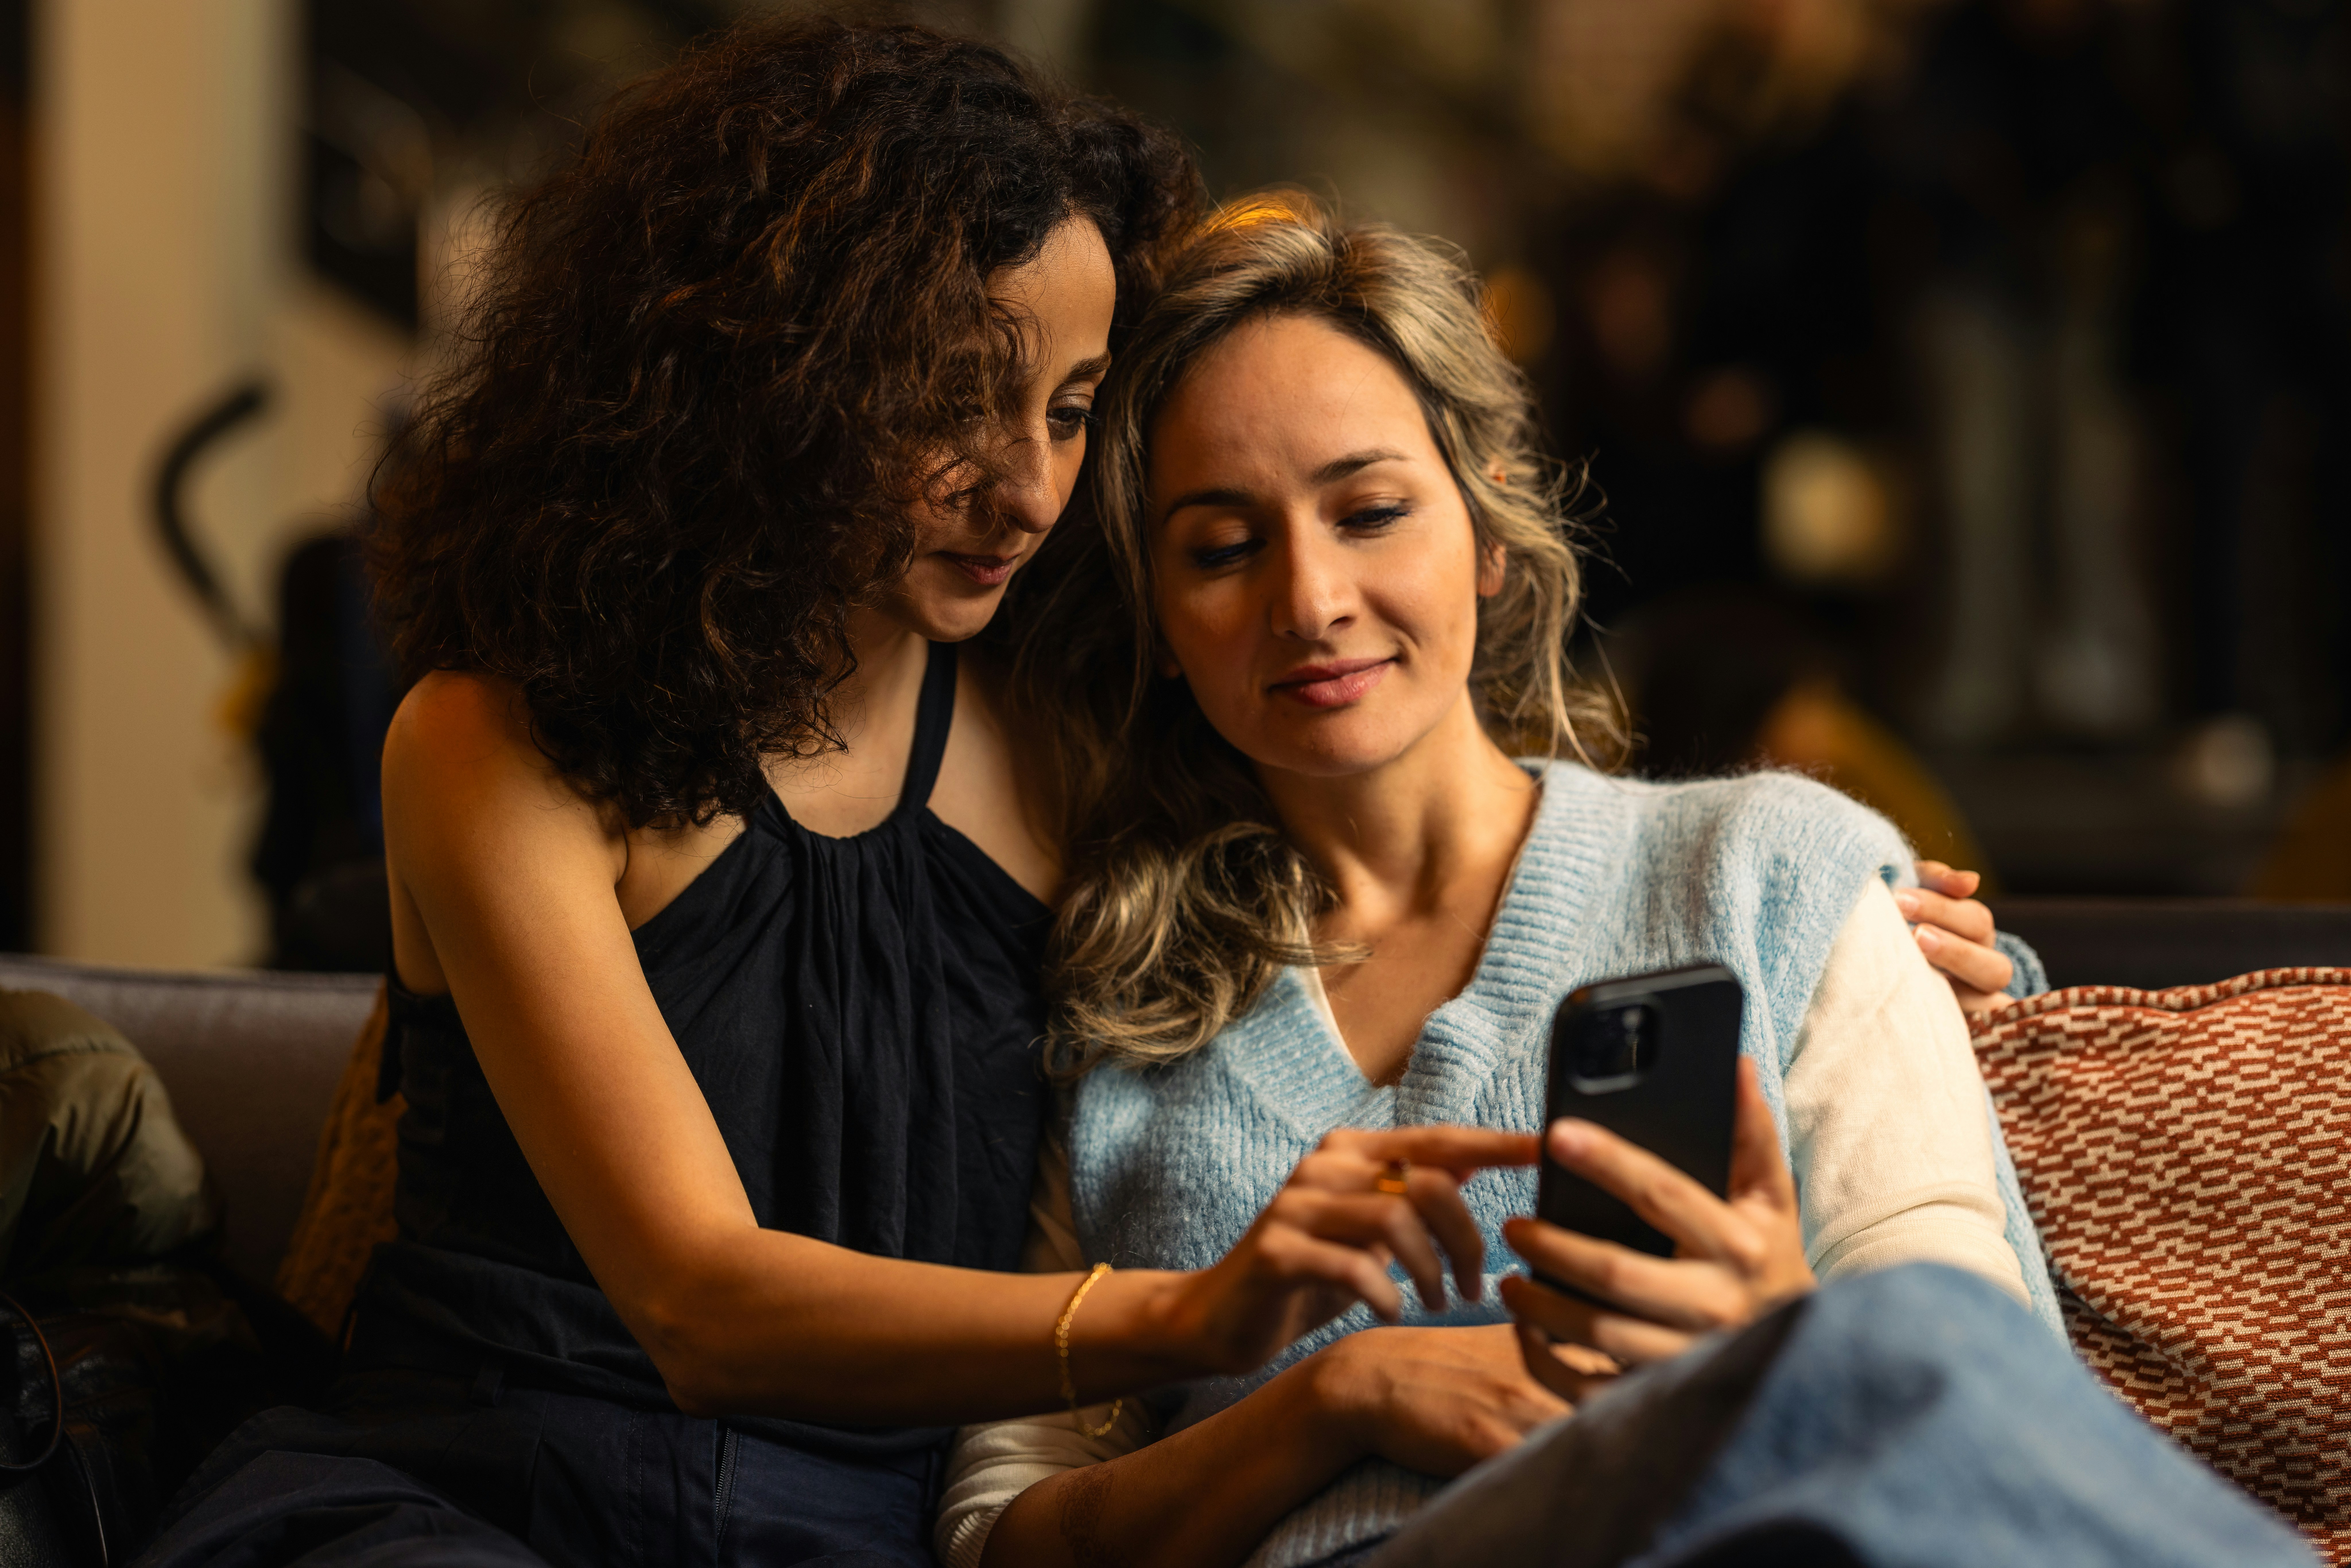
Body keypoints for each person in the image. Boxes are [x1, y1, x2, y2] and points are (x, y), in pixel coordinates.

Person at [136, 25, 2031, 1568]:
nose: (1027, 488)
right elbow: (701, 1304)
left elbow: (1419, 787)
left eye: (1066, 409)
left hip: (853, 1529)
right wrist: (1206, 1324)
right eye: (955, 396)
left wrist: (1849, 925)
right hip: (491, 1489)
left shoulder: (1054, 732)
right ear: (768, 379)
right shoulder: (494, 739)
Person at [931, 197, 2272, 1568]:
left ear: (1487, 529)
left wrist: (1771, 1334)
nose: (1310, 600)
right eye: (1222, 549)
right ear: (1157, 617)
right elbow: (1001, 1536)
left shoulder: (1769, 870)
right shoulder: (1133, 1018)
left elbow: (1978, 1404)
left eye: (1371, 512)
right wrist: (1337, 1398)